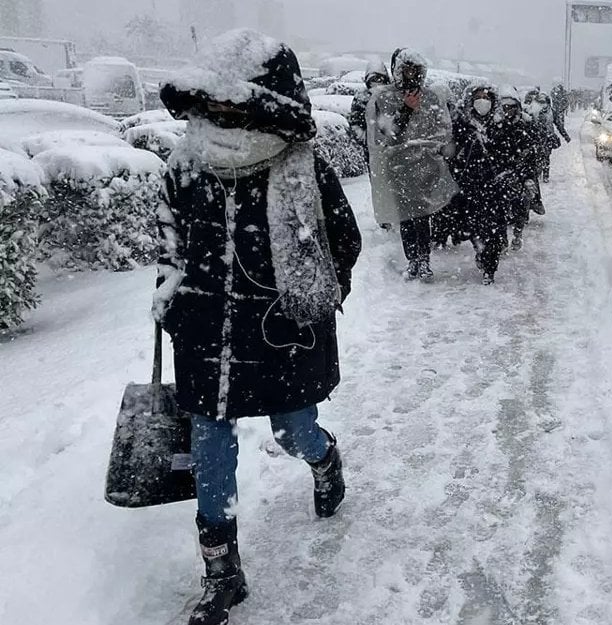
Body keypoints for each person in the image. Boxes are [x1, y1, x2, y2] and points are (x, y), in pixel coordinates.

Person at [155, 29, 362, 625]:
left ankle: (324, 460)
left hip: (281, 334)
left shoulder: (302, 169)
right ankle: (222, 573)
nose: (220, 115)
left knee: (294, 430)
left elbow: (341, 244)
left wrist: (313, 300)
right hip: (205, 335)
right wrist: (171, 303)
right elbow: (169, 247)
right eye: (212, 105)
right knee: (210, 450)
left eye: (233, 105)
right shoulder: (185, 167)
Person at [366, 48, 457, 281]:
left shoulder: (432, 98)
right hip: (398, 167)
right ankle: (413, 260)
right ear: (397, 71)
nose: (411, 75)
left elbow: (443, 130)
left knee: (421, 215)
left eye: (416, 70)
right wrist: (406, 110)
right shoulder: (385, 98)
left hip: (425, 166)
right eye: (406, 70)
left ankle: (423, 260)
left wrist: (434, 152)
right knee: (405, 215)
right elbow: (386, 135)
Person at [449, 83, 506, 284]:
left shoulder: (500, 126)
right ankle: (480, 251)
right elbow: (453, 154)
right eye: (479, 97)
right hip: (470, 187)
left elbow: (508, 154)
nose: (483, 101)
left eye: (487, 97)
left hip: (495, 188)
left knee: (495, 230)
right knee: (475, 227)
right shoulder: (462, 125)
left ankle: (490, 266)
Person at [490, 88, 539, 251]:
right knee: (500, 210)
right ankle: (502, 239)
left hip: (521, 173)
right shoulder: (495, 126)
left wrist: (527, 175)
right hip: (501, 174)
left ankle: (518, 234)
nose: (508, 110)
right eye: (504, 107)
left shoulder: (526, 125)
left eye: (511, 107)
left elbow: (531, 152)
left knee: (521, 207)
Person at [349, 60, 391, 158]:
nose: (376, 84)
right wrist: (366, 139)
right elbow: (355, 123)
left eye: (380, 80)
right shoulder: (362, 97)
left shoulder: (390, 97)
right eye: (373, 80)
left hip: (389, 145)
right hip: (371, 147)